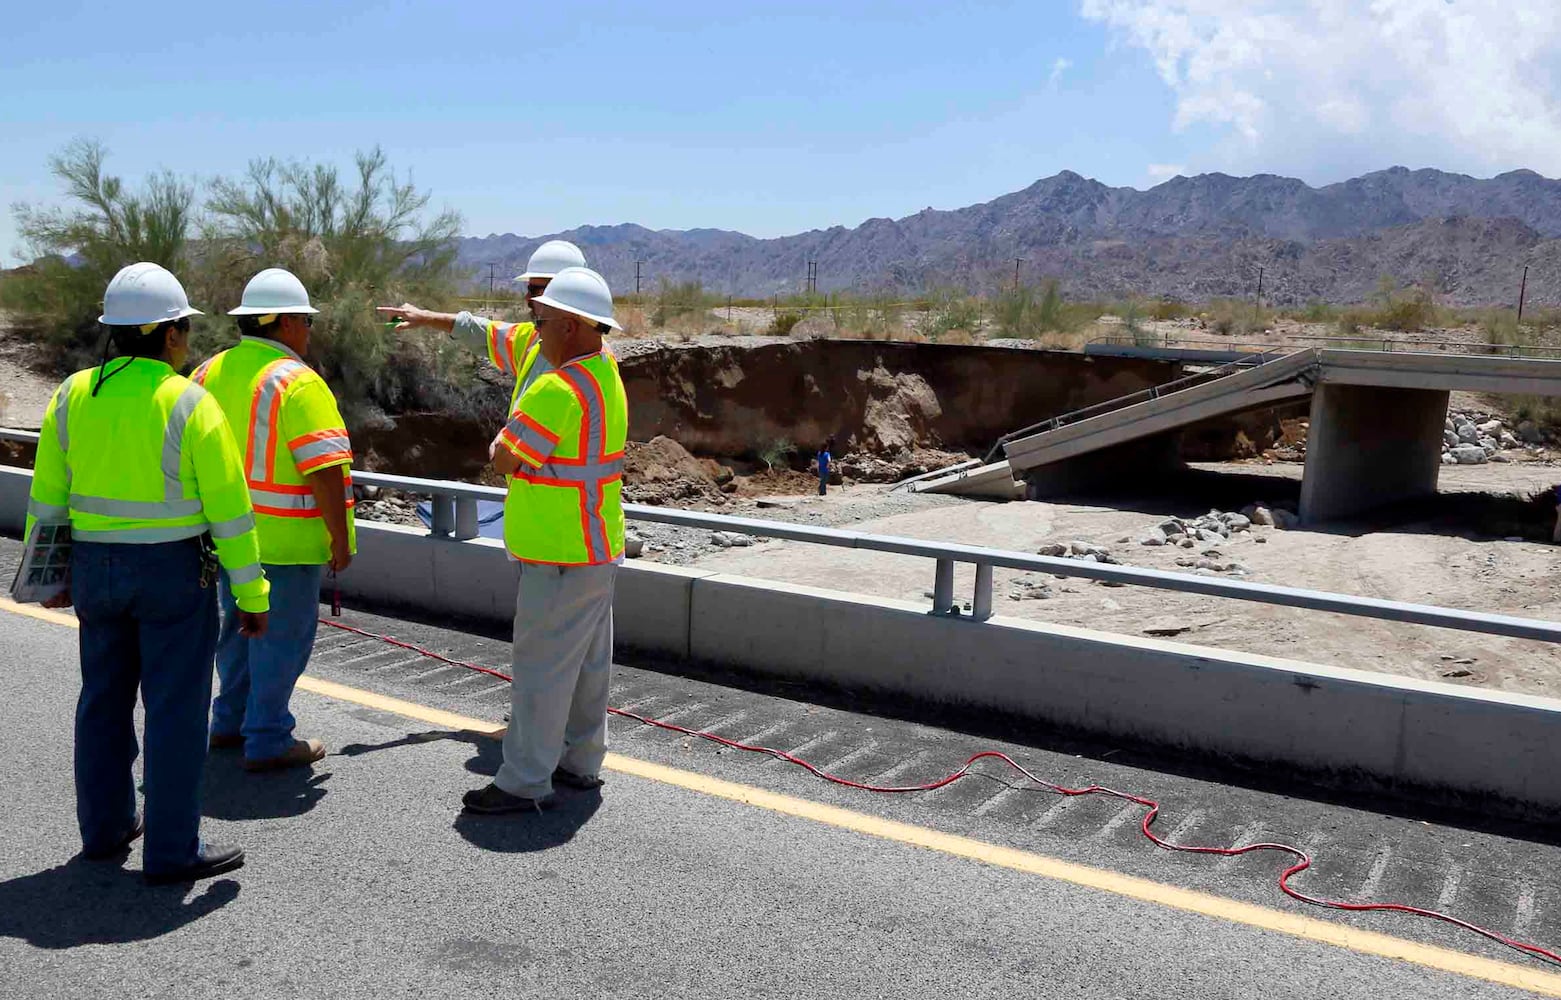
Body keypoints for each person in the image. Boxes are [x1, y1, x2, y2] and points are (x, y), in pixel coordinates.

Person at [25, 261, 268, 883]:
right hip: (172, 575)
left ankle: (105, 832)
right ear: (166, 334)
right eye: (183, 328)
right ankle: (171, 850)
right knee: (175, 711)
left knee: (102, 704)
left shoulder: (72, 395)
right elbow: (231, 513)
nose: (186, 340)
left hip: (96, 572)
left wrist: (46, 577)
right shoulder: (190, 401)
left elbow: (47, 498)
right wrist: (253, 593)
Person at [381, 267, 628, 813]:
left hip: (557, 552)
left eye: (542, 320)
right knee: (588, 667)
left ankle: (522, 782)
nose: (534, 328)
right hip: (596, 544)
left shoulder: (557, 388)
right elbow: (488, 335)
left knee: (541, 670)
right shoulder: (606, 371)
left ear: (569, 323)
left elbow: (505, 457)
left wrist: (502, 437)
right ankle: (581, 763)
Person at [191, 268, 355, 771]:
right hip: (285, 546)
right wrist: (340, 538)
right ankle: (267, 738)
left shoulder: (206, 372)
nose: (308, 331)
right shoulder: (298, 383)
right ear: (285, 323)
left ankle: (229, 722)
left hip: (225, 541)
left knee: (237, 631)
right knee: (280, 641)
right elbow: (326, 470)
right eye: (305, 320)